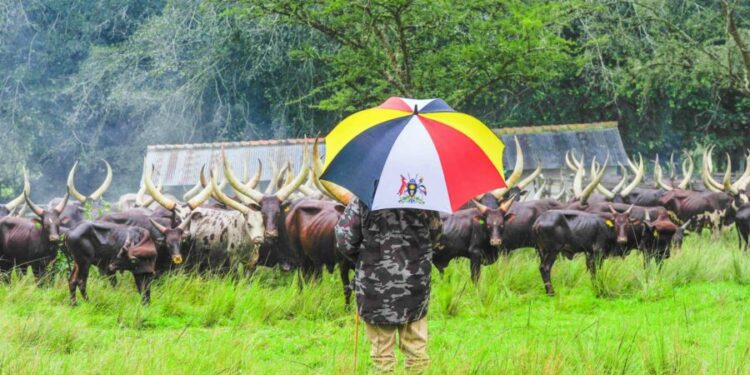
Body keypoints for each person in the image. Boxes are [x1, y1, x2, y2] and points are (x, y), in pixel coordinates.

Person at [336, 196, 442, 372]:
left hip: (374, 287)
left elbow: (344, 241)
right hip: (414, 286)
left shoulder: (364, 196)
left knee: (381, 352)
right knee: (416, 350)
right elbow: (436, 235)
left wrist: (364, 260)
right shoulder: (423, 197)